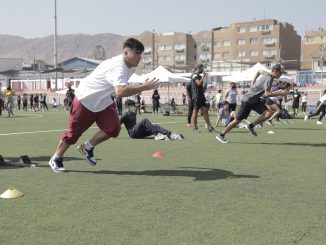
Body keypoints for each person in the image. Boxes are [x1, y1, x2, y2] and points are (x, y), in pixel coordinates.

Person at [48, 38, 159, 173]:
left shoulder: (127, 66)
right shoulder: (119, 67)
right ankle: (56, 158)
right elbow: (120, 91)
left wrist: (142, 84)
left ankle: (87, 147)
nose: (139, 57)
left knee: (113, 129)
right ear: (125, 52)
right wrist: (143, 87)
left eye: (141, 54)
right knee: (72, 135)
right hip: (85, 99)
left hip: (103, 101)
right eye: (136, 53)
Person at [216, 64, 288, 144]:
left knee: (268, 113)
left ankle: (251, 126)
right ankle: (221, 135)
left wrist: (253, 81)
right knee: (238, 120)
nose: (281, 75)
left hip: (255, 100)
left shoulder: (267, 73)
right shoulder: (269, 79)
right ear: (275, 71)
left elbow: (259, 71)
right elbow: (267, 94)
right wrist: (281, 92)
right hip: (247, 101)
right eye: (280, 73)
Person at [190, 64, 215, 133]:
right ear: (198, 68)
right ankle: (194, 128)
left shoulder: (199, 76)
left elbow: (201, 86)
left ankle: (209, 127)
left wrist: (204, 87)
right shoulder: (194, 75)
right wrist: (203, 76)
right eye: (202, 68)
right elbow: (199, 83)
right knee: (195, 111)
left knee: (205, 110)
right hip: (196, 96)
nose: (203, 70)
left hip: (201, 96)